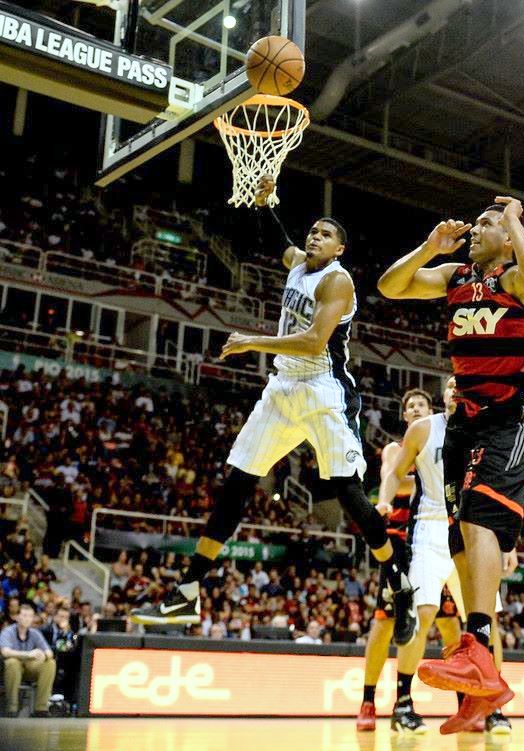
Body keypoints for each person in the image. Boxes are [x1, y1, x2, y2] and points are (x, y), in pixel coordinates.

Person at [130, 177, 416, 646]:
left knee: (345, 491)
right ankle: (186, 591)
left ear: (340, 248)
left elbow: (313, 341)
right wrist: (264, 202)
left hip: (325, 391)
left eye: (325, 234)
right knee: (238, 482)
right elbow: (273, 239)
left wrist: (250, 340)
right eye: (313, 231)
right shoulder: (298, 264)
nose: (315, 236)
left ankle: (398, 580)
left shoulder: (337, 281)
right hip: (283, 387)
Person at [378, 197, 524, 731]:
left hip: (510, 418)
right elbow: (390, 285)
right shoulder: (456, 275)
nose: (475, 229)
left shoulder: (518, 280)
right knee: (460, 535)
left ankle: (477, 648)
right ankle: (481, 674)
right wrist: (429, 249)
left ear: (507, 235)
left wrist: (516, 221)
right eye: (476, 223)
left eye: (486, 223)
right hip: (464, 424)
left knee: (477, 516)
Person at [356, 385, 459, 734]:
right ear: (404, 415)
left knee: (450, 623)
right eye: (410, 405)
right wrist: (426, 483)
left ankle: (464, 702)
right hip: (401, 542)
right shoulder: (395, 448)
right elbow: (393, 479)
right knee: (386, 621)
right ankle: (369, 700)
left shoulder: (440, 441)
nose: (416, 409)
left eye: (422, 404)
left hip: (437, 536)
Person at [2, 604, 56, 716]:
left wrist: (43, 655)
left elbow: (49, 652)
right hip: (10, 668)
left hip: (29, 667)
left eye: (30, 616)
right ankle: (12, 708)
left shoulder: (35, 633)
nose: (27, 619)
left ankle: (41, 708)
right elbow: (5, 652)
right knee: (12, 662)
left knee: (50, 663)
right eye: (24, 615)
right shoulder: (8, 631)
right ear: (17, 617)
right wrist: (28, 654)